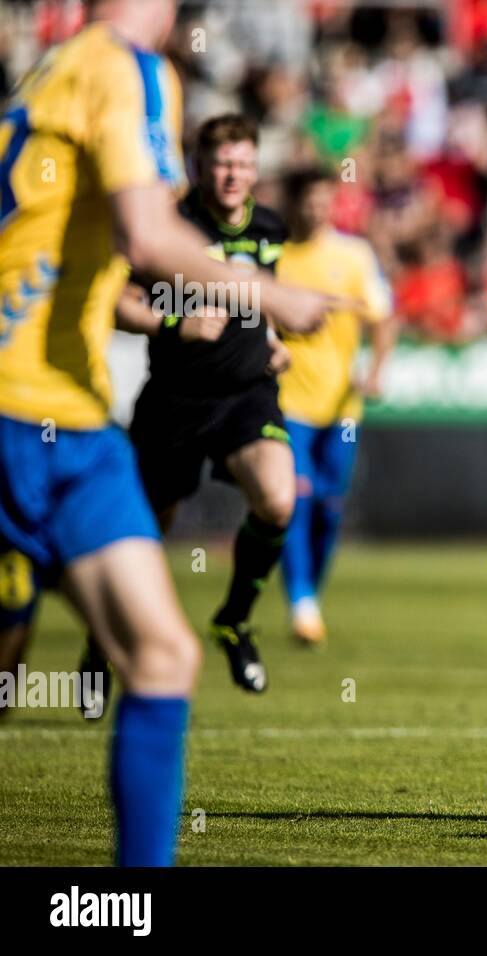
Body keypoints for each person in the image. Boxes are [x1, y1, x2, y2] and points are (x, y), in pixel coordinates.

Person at [0, 0, 334, 864]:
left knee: (162, 654)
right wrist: (271, 297)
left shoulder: (53, 69)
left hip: (75, 420)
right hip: (25, 410)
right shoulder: (126, 67)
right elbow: (147, 243)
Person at [77, 113, 325, 707]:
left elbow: (254, 297)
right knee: (139, 535)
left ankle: (234, 620)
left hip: (247, 394)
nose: (233, 174)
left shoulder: (268, 226)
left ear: (255, 167)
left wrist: (269, 341)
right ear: (199, 166)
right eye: (221, 163)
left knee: (277, 496)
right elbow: (116, 300)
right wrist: (174, 320)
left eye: (243, 162)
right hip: (176, 399)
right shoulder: (166, 226)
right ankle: (99, 644)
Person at [276, 167, 396, 644]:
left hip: (342, 406)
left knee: (329, 506)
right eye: (308, 198)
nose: (316, 208)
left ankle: (310, 598)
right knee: (295, 498)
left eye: (325, 199)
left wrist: (377, 369)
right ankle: (301, 603)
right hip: (288, 401)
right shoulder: (276, 256)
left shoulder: (352, 255)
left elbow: (384, 318)